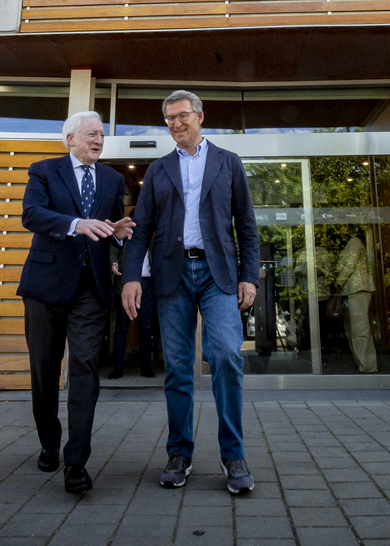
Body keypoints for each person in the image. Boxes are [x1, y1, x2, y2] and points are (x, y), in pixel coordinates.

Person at [121, 90, 260, 494]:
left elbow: (246, 225)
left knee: (226, 355)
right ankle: (179, 453)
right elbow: (141, 227)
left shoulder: (227, 162)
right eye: (169, 119)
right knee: (179, 367)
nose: (176, 124)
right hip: (172, 274)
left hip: (218, 275)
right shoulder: (159, 168)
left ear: (200, 116)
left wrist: (248, 275)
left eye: (182, 116)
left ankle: (232, 453)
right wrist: (132, 275)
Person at [17, 111, 134, 494]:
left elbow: (114, 229)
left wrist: (118, 235)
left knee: (85, 370)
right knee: (45, 371)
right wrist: (76, 224)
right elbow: (31, 215)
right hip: (46, 285)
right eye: (91, 134)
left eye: (102, 135)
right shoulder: (45, 170)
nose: (99, 140)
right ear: (70, 138)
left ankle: (75, 461)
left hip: (91, 289)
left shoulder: (114, 179)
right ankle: (49, 442)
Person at [332, 227, 378, 373]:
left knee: (359, 329)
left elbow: (350, 264)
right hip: (352, 289)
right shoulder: (350, 243)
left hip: (358, 288)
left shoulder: (354, 242)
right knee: (354, 329)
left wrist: (339, 281)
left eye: (343, 226)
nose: (340, 229)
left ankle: (368, 366)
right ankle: (363, 364)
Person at [109, 253, 156, 379]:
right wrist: (113, 261)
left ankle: (145, 367)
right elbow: (113, 246)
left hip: (146, 284)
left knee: (146, 328)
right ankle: (117, 368)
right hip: (125, 284)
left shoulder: (150, 238)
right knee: (121, 328)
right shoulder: (125, 235)